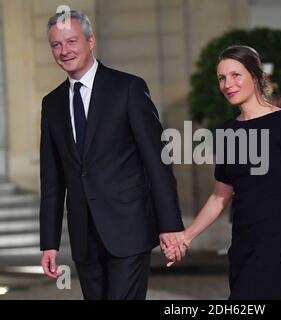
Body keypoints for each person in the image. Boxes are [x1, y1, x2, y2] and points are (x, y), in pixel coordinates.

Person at [164, 45, 281, 299]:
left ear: (254, 76)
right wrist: (186, 237)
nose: (227, 84)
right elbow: (220, 197)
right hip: (243, 246)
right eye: (222, 78)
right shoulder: (229, 132)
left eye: (235, 75)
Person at [39, 10, 185, 300]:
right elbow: (52, 180)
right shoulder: (52, 103)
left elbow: (157, 162)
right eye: (56, 45)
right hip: (84, 238)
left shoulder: (128, 88)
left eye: (71, 41)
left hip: (129, 229)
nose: (64, 51)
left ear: (90, 41)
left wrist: (170, 225)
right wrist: (49, 243)